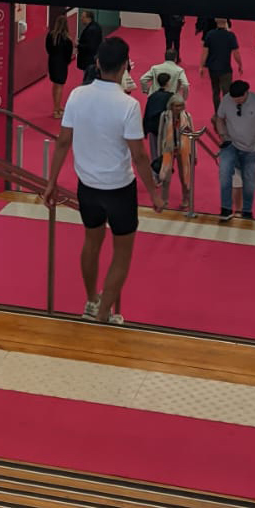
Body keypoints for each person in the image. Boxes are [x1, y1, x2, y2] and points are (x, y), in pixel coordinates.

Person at [43, 35, 163, 324]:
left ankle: (91, 300)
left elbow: (63, 142)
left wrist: (51, 182)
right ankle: (103, 314)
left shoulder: (76, 95)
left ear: (97, 62)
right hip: (119, 188)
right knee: (122, 252)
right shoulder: (128, 105)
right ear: (124, 66)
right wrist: (154, 193)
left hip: (87, 187)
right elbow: (139, 156)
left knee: (91, 242)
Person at [214, 79, 255, 222]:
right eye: (234, 99)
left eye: (240, 98)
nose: (237, 101)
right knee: (224, 175)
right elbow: (219, 118)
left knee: (249, 182)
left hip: (251, 148)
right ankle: (226, 209)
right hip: (230, 145)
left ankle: (247, 211)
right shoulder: (226, 100)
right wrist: (222, 135)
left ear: (246, 93)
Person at [158, 91, 194, 210]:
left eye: (180, 105)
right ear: (171, 105)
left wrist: (194, 154)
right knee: (165, 177)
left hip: (184, 150)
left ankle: (186, 199)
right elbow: (160, 135)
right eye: (176, 106)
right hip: (168, 150)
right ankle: (164, 200)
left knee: (185, 176)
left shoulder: (187, 116)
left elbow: (192, 135)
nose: (178, 108)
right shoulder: (164, 116)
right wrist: (159, 153)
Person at [200, 18, 243, 112]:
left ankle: (217, 112)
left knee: (215, 92)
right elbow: (236, 53)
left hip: (213, 69)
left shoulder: (210, 34)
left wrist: (201, 66)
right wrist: (240, 64)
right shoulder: (230, 35)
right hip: (225, 69)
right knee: (227, 93)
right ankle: (226, 112)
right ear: (226, 21)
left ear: (215, 21)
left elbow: (205, 52)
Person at [45, 13, 74, 119]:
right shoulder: (67, 39)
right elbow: (69, 54)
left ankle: (57, 105)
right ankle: (56, 110)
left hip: (52, 62)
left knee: (55, 84)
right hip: (61, 63)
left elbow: (47, 48)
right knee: (60, 86)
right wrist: (67, 61)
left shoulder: (51, 35)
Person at [142, 71, 173, 168]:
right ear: (168, 83)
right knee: (166, 150)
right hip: (165, 127)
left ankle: (155, 170)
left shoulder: (152, 96)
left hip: (152, 127)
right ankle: (165, 169)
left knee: (154, 151)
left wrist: (145, 129)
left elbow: (147, 112)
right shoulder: (171, 97)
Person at [75, 9, 103, 82]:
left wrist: (78, 45)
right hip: (92, 59)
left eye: (83, 17)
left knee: (89, 79)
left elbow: (90, 46)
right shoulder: (95, 27)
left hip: (89, 60)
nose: (81, 19)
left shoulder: (91, 30)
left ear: (89, 18)